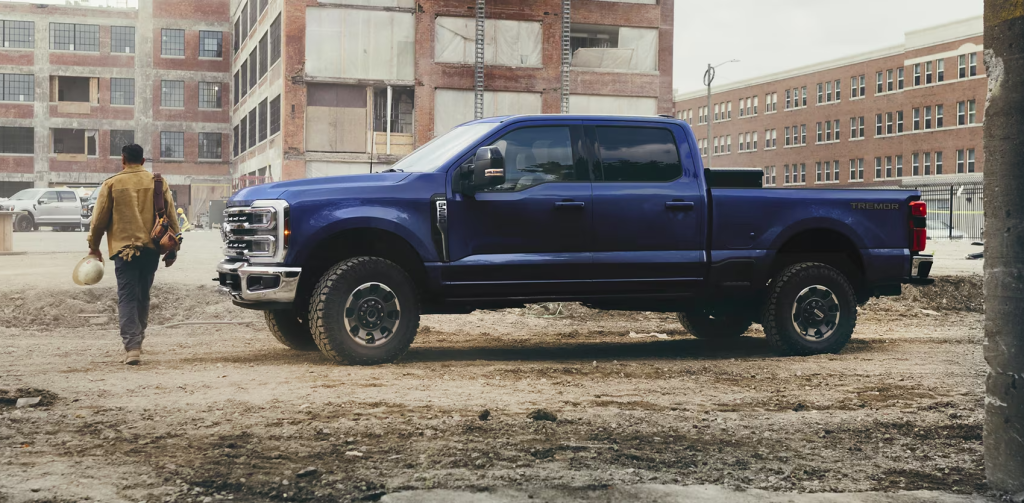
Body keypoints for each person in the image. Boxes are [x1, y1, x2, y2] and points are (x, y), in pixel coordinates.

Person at [87, 144, 180, 365]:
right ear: (143, 160)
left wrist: (94, 246)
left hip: (124, 252)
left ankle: (132, 347)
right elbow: (172, 218)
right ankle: (139, 339)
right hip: (151, 250)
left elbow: (98, 220)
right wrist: (174, 248)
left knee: (127, 297)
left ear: (122, 160)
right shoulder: (158, 182)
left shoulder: (112, 184)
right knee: (143, 296)